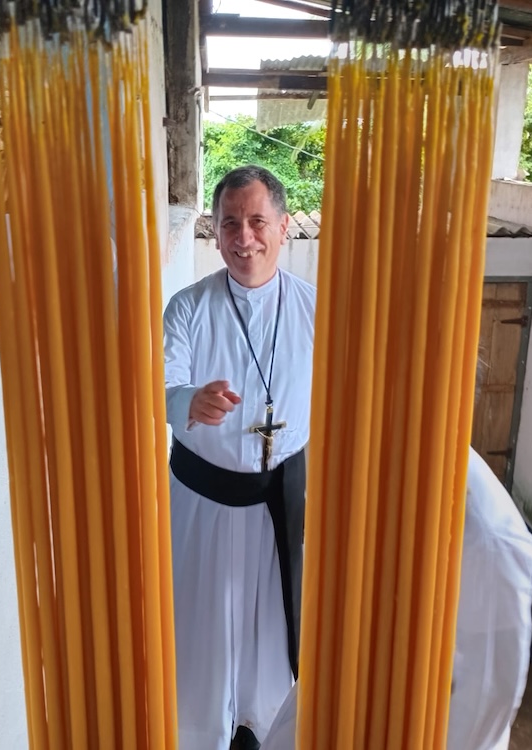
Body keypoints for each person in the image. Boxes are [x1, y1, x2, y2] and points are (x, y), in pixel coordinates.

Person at [164, 165, 316, 748]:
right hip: (201, 507)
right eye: (230, 223)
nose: (244, 237)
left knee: (270, 631)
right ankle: (202, 730)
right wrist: (188, 400)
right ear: (215, 230)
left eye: (257, 222)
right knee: (203, 630)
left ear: (284, 227)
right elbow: (159, 383)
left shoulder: (315, 309)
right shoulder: (188, 307)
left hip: (282, 504)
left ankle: (261, 727)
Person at [261, 447, 532, 750]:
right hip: (360, 677)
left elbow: (486, 694)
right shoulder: (382, 455)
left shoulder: (487, 543)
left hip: (428, 722)